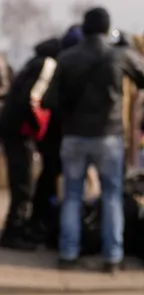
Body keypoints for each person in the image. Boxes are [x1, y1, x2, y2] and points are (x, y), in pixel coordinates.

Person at [42, 7, 144, 272]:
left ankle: (68, 254)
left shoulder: (66, 58)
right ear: (107, 28)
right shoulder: (119, 56)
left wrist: (70, 111)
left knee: (73, 196)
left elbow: (49, 100)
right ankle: (112, 257)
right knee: (111, 196)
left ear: (84, 28)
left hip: (74, 136)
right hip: (109, 136)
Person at [0, 26, 84, 251]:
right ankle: (12, 233)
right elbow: (31, 100)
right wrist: (38, 129)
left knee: (24, 181)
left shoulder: (38, 59)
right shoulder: (48, 65)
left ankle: (19, 227)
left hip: (11, 128)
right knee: (23, 183)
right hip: (18, 131)